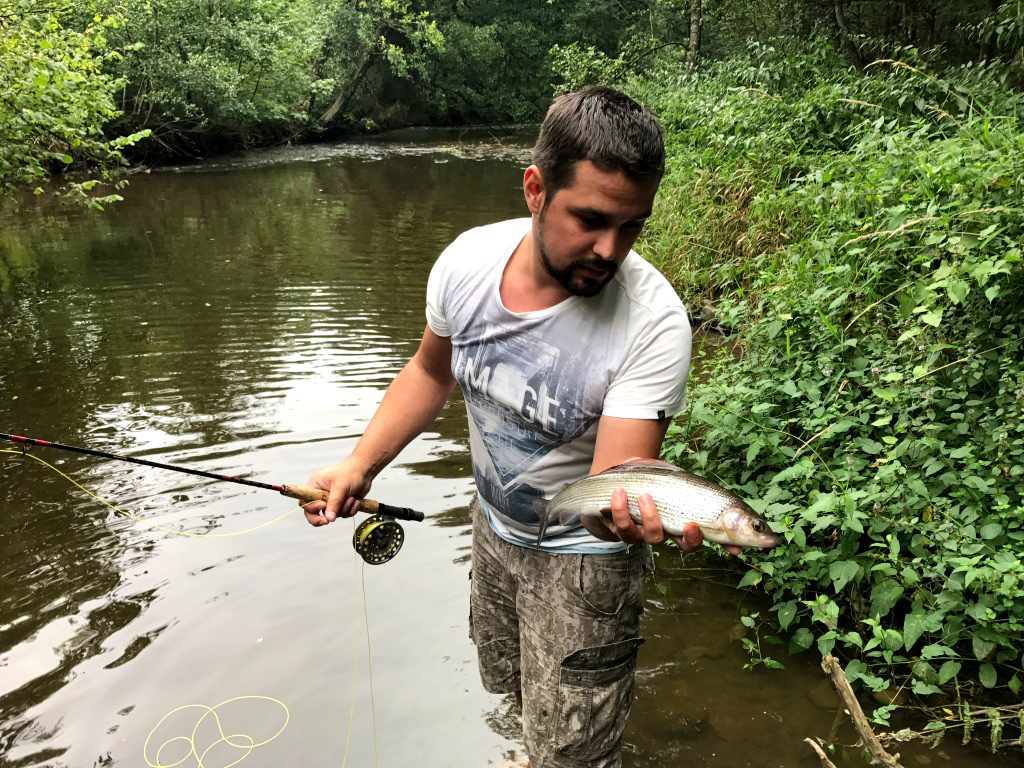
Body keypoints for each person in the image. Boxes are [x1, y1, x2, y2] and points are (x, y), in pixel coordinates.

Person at [303, 86, 738, 768]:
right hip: (494, 529)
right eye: (590, 218)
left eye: (632, 226)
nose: (609, 248)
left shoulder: (652, 323)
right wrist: (361, 465)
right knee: (511, 686)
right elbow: (429, 373)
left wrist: (623, 521)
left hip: (584, 564)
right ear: (535, 188)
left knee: (576, 750)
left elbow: (609, 491)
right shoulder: (466, 264)